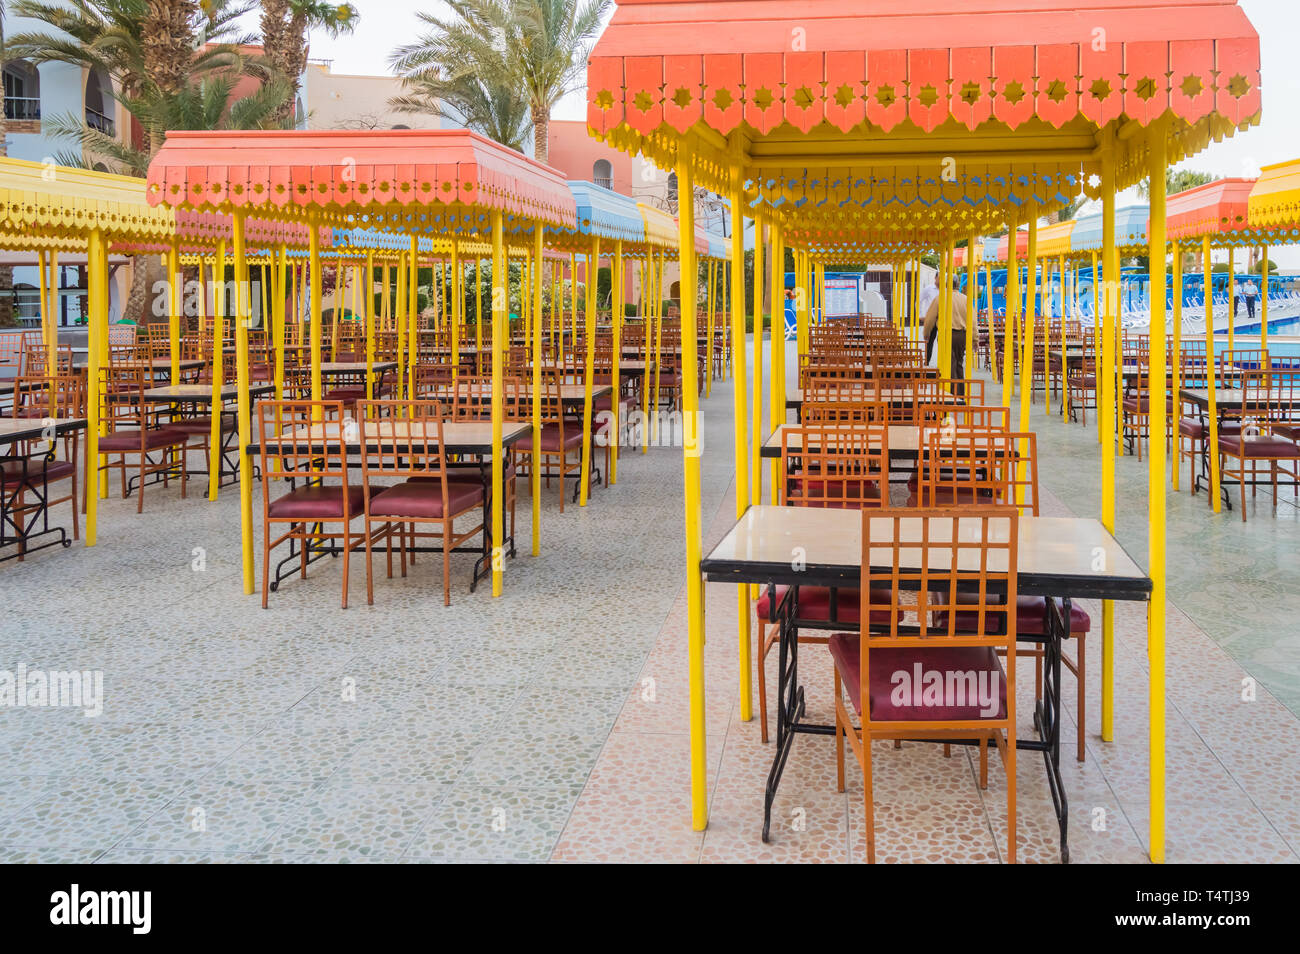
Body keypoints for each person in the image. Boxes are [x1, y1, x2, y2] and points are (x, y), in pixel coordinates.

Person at [923, 275, 968, 394]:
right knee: (958, 362)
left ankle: (951, 392)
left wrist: (926, 332)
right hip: (962, 335)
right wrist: (974, 339)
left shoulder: (940, 298)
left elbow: (930, 318)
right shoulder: (965, 299)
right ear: (958, 284)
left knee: (949, 363)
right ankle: (960, 393)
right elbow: (973, 321)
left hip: (946, 335)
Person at [918, 271, 941, 361]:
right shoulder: (928, 289)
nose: (941, 279)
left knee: (942, 341)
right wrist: (921, 315)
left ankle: (942, 364)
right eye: (939, 277)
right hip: (931, 318)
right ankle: (927, 362)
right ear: (935, 278)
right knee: (929, 341)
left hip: (942, 318)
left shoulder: (946, 289)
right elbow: (919, 301)